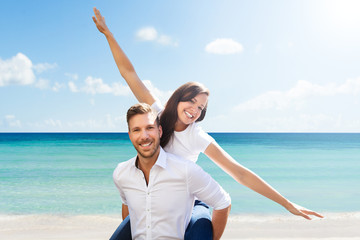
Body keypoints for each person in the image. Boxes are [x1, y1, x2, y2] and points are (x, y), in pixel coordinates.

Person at [92, 7, 324, 239]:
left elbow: (239, 173)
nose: (194, 110)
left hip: (192, 203)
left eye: (200, 108)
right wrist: (108, 34)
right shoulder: (157, 115)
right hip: (158, 200)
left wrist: (286, 203)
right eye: (191, 102)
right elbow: (129, 73)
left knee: (202, 230)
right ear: (178, 98)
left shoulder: (197, 136)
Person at [114, 103, 231, 239]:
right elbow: (127, 206)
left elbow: (223, 202)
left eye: (150, 128)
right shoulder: (121, 173)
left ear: (160, 131)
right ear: (130, 135)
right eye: (136, 130)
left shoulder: (185, 170)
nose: (144, 136)